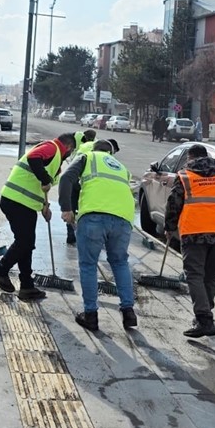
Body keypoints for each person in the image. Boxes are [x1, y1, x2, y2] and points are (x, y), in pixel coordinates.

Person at [163, 144, 215, 338]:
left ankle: (204, 318)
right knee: (211, 275)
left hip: (195, 231)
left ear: (190, 158)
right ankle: (205, 312)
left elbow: (173, 203)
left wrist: (170, 227)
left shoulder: (186, 176)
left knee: (194, 275)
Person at [59, 139, 136, 332]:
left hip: (94, 217)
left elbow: (66, 178)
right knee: (119, 263)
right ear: (111, 153)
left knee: (88, 265)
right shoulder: (121, 167)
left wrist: (67, 208)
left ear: (94, 149)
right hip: (123, 219)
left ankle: (91, 315)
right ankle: (128, 312)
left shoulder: (87, 157)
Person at [0, 132, 77, 300]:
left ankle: (27, 286)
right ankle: (0, 270)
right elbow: (34, 158)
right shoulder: (52, 147)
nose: (69, 155)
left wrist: (44, 206)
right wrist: (45, 180)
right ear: (68, 147)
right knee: (24, 242)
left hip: (24, 203)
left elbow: (36, 184)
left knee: (27, 244)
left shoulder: (55, 158)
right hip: (17, 201)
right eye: (70, 152)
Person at [65, 129, 99, 245]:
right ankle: (88, 236)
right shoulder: (98, 147)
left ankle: (70, 234)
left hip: (76, 181)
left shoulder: (80, 147)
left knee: (72, 207)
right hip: (90, 184)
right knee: (89, 209)